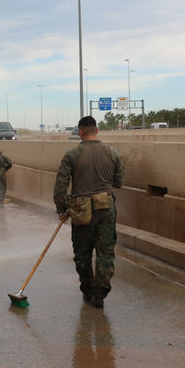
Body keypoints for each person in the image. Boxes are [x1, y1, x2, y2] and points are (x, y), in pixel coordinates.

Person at [53, 116, 124, 308]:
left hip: (81, 211)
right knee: (105, 251)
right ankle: (100, 294)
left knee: (82, 254)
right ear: (97, 130)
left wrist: (62, 209)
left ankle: (88, 289)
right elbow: (118, 182)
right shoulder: (112, 153)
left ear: (80, 132)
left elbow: (60, 187)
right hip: (106, 208)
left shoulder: (72, 155)